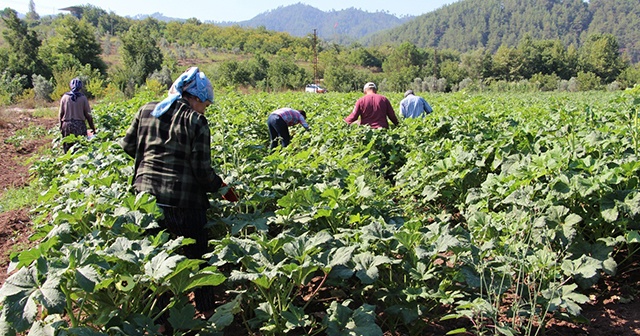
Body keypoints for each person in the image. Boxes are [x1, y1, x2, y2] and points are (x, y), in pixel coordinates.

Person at [119, 67, 227, 326]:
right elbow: (202, 172)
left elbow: (128, 147)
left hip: (144, 201)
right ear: (194, 98)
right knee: (198, 258)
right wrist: (220, 186)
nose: (205, 109)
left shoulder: (146, 109)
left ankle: (158, 321)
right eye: (206, 104)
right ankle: (206, 313)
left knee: (154, 262)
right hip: (184, 203)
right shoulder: (196, 121)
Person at [59, 78, 95, 153]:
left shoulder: (65, 97)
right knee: (80, 148)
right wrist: (92, 128)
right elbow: (88, 115)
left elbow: (61, 114)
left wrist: (61, 126)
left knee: (68, 148)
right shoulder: (83, 98)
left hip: (67, 125)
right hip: (79, 125)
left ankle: (68, 162)